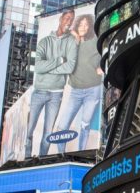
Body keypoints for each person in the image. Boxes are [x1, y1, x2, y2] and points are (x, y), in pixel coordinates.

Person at [26, 9, 78, 157]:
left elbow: (70, 67)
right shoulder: (44, 42)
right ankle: (27, 159)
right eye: (67, 18)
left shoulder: (71, 43)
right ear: (61, 19)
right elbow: (38, 67)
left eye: (71, 19)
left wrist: (48, 69)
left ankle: (41, 160)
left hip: (56, 94)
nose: (69, 21)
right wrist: (59, 61)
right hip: (39, 92)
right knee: (29, 130)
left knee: (48, 133)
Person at [54, 14, 103, 153]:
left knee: (85, 124)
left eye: (86, 25)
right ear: (76, 26)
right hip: (75, 91)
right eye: (81, 25)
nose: (83, 28)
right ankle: (61, 155)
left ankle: (81, 153)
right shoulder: (70, 41)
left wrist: (102, 66)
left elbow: (106, 52)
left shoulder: (95, 41)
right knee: (62, 127)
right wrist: (74, 39)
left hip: (93, 89)